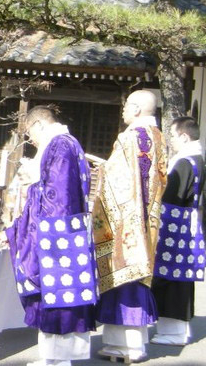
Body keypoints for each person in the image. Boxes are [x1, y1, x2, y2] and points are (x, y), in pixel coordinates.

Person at [7, 106, 97, 366]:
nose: (31, 140)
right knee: (63, 296)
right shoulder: (70, 144)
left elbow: (57, 195)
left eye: (29, 133)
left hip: (56, 235)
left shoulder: (59, 146)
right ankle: (54, 357)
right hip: (68, 231)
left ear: (39, 124)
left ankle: (56, 359)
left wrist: (31, 220)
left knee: (56, 296)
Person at [93, 89, 167, 363]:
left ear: (136, 109)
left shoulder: (128, 139)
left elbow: (119, 181)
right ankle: (134, 344)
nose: (123, 111)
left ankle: (120, 346)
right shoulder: (158, 138)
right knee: (138, 275)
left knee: (121, 274)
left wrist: (101, 171)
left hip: (125, 219)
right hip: (148, 221)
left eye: (126, 106)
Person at [150, 116, 206, 346]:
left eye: (173, 135)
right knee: (180, 277)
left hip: (175, 226)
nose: (171, 140)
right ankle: (176, 329)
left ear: (184, 136)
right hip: (185, 224)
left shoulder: (185, 161)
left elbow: (172, 196)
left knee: (171, 276)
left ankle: (173, 331)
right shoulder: (196, 158)